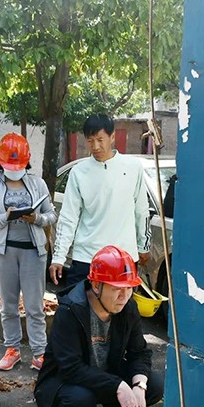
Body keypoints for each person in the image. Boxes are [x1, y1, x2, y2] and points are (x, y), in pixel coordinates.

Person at [35, 245, 164, 407]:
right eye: (117, 289)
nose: (124, 296)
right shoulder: (70, 310)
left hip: (106, 373)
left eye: (129, 288)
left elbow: (140, 351)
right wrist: (119, 386)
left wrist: (138, 386)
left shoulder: (128, 307)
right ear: (96, 285)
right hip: (67, 380)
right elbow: (71, 368)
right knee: (80, 399)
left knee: (154, 385)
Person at [0, 133, 57, 371]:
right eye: (10, 165)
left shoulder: (38, 184)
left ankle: (39, 352)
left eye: (19, 165)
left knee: (35, 306)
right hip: (4, 253)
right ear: (0, 161)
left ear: (27, 161)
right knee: (9, 305)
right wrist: (5, 217)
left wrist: (37, 219)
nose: (15, 170)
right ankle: (12, 349)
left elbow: (51, 215)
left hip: (33, 253)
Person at [49, 114, 151, 287]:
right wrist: (58, 257)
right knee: (77, 302)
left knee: (121, 304)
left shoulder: (133, 168)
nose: (95, 146)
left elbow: (142, 210)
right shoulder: (79, 172)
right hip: (87, 257)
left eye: (100, 140)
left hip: (124, 256)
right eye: (90, 141)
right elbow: (68, 217)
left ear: (112, 137)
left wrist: (144, 246)